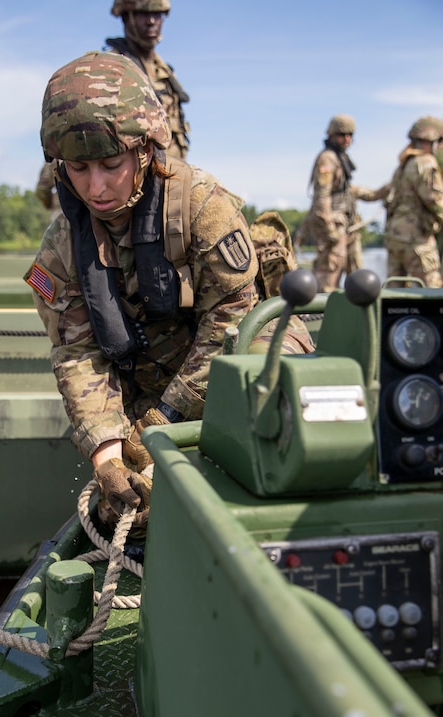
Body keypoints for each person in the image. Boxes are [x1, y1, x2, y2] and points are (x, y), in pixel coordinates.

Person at [24, 50, 268, 532]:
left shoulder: (200, 205)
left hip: (219, 382)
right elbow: (78, 352)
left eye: (111, 164)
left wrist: (167, 417)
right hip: (145, 400)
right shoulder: (60, 250)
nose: (96, 188)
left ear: (144, 149)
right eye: (77, 168)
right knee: (128, 513)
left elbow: (235, 319)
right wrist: (109, 456)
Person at [354, 116, 443, 288]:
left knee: (395, 293)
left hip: (395, 237)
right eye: (439, 141)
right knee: (432, 290)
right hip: (417, 239)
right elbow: (435, 200)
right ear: (430, 139)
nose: (440, 146)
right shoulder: (426, 163)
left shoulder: (403, 166)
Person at [105, 0, 190, 159]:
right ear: (126, 18)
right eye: (143, 14)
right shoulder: (111, 68)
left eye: (156, 14)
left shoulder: (165, 71)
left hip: (173, 175)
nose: (151, 21)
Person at [303, 114, 364, 292]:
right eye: (341, 135)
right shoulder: (328, 159)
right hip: (332, 224)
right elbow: (321, 196)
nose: (346, 139)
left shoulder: (339, 158)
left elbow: (348, 190)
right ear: (331, 135)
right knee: (329, 274)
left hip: (342, 223)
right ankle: (321, 315)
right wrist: (330, 229)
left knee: (351, 268)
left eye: (350, 135)